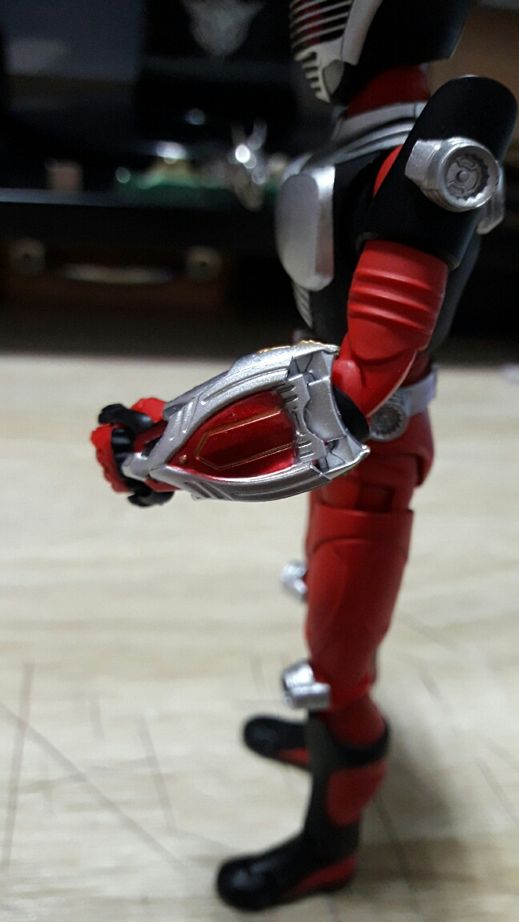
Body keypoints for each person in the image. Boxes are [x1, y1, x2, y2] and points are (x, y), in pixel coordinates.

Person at [92, 0, 516, 911]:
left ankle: (329, 846)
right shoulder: (368, 139)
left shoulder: (426, 146)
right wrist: (168, 443)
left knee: (339, 667)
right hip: (343, 450)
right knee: (323, 609)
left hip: (369, 448)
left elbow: (360, 385)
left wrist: (167, 443)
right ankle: (318, 737)